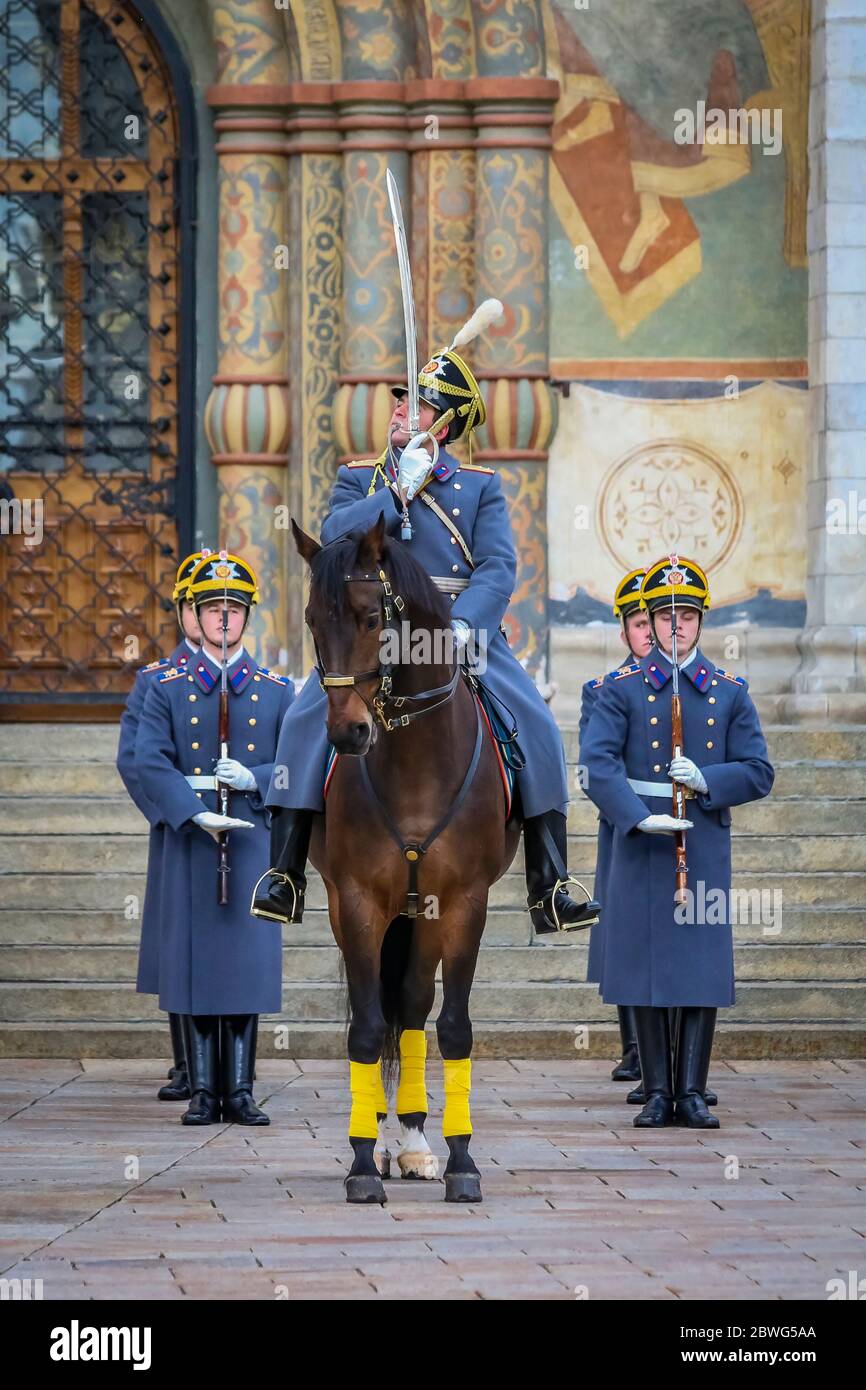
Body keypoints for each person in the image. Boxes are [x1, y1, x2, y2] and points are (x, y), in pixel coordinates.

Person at [253, 314, 598, 937]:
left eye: (418, 404)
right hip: (369, 633)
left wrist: (466, 626)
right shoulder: (361, 479)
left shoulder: (479, 488)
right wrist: (395, 491)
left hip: (452, 638)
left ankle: (551, 882)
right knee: (306, 720)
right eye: (403, 400)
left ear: (444, 423)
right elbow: (334, 538)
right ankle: (284, 872)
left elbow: (497, 566)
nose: (401, 411)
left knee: (538, 726)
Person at [581, 555, 774, 1128]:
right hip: (642, 840)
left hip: (703, 837)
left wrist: (709, 780)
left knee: (697, 966)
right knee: (643, 966)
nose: (675, 626)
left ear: (700, 621)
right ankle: (658, 1090)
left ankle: (692, 1090)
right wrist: (637, 818)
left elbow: (759, 770)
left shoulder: (729, 692)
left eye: (686, 615)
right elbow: (596, 765)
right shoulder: (620, 689)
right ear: (651, 622)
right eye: (665, 616)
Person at [135, 551, 295, 1125]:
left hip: (250, 834)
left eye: (233, 608)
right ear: (193, 615)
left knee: (245, 963)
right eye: (212, 608)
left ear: (247, 616)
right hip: (193, 837)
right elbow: (147, 760)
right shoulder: (166, 686)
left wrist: (256, 779)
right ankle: (204, 1090)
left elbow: (301, 766)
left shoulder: (278, 690)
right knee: (196, 963)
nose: (223, 619)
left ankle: (243, 1090)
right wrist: (192, 813)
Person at [116, 549, 210, 1102]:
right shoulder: (156, 680)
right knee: (179, 947)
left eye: (225, 605)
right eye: (201, 606)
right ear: (182, 612)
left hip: (237, 831)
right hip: (180, 829)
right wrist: (175, 810)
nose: (213, 616)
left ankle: (226, 1072)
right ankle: (184, 1063)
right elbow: (134, 758)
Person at [578, 569, 652, 1083]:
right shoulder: (602, 689)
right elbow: (594, 767)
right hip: (626, 828)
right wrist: (636, 815)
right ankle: (634, 1047)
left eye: (657, 620)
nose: (650, 632)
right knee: (625, 937)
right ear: (624, 630)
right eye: (639, 623)